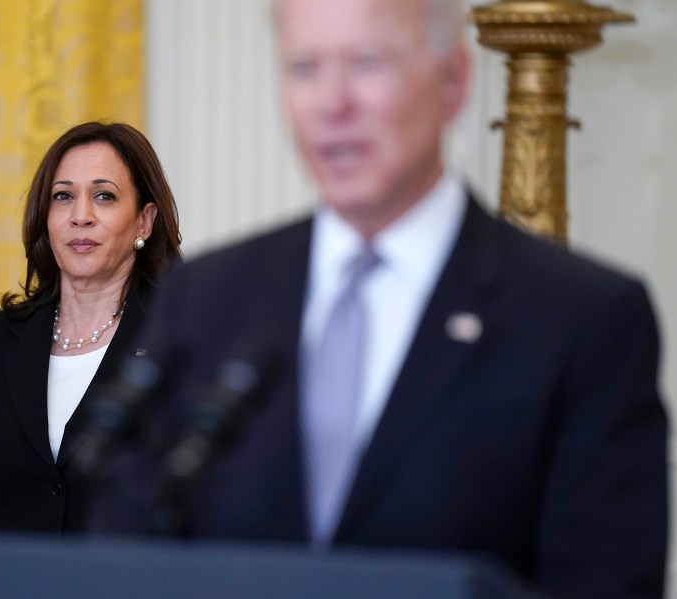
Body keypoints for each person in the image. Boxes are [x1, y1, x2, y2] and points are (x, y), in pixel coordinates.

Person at [91, 1, 669, 598]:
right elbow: (132, 554)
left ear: (452, 82)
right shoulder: (209, 298)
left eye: (368, 63)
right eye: (306, 68)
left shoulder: (583, 319)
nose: (333, 104)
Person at [0, 121, 181, 534]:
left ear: (144, 222)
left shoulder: (179, 343)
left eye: (104, 196)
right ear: (45, 217)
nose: (81, 216)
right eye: (63, 197)